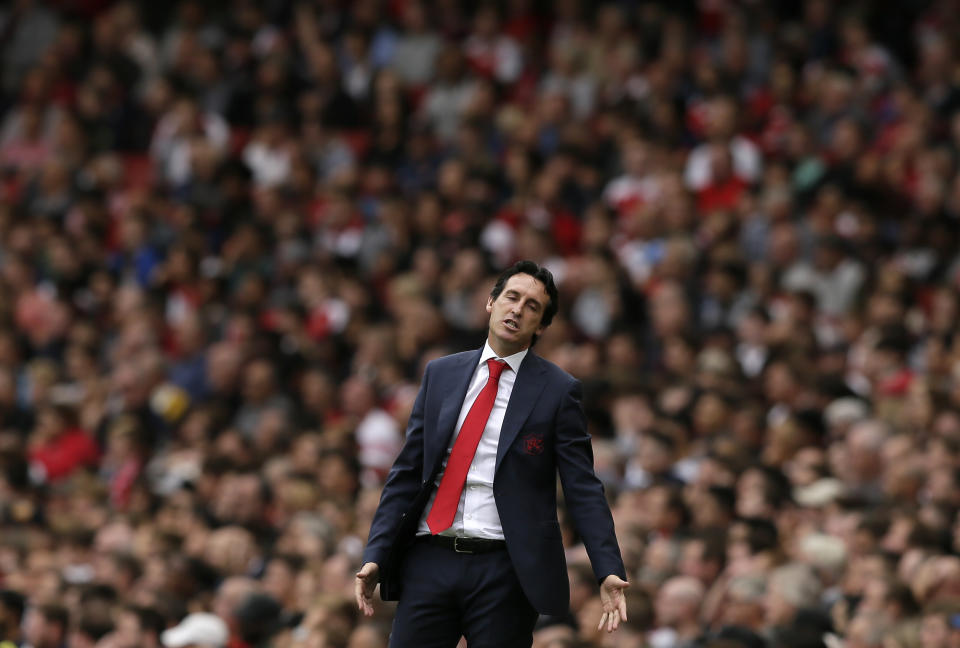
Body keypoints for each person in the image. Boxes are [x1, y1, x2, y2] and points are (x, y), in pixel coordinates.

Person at [355, 260, 629, 647]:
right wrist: (376, 554)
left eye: (532, 306)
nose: (517, 309)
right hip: (430, 555)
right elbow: (406, 472)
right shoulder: (441, 373)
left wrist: (607, 568)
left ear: (542, 326)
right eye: (511, 297)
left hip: (506, 568)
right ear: (491, 303)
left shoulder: (558, 390)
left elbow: (583, 486)